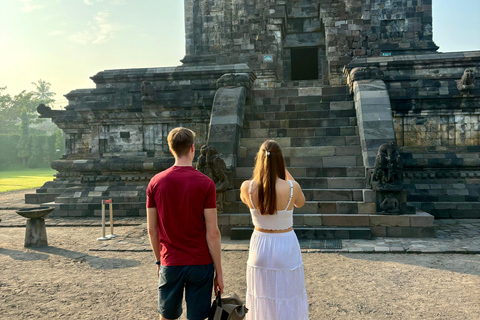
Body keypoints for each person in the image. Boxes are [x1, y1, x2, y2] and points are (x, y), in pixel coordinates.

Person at [146, 127, 224, 320]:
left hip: (170, 261)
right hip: (200, 262)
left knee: (166, 316)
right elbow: (212, 232)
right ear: (192, 148)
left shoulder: (155, 183)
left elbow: (152, 230)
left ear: (171, 149)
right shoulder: (206, 183)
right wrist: (219, 272)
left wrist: (159, 260)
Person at [240, 140, 309, 320]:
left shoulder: (247, 187)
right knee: (288, 296)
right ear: (280, 161)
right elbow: (301, 202)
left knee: (261, 298)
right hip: (285, 243)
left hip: (260, 245)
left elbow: (248, 201)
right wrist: (284, 172)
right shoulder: (291, 187)